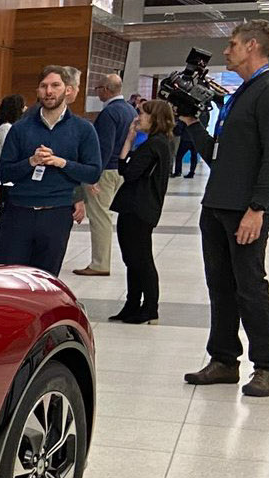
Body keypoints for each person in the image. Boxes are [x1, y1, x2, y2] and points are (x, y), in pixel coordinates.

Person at [179, 19, 269, 398]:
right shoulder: (241, 93)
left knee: (250, 288)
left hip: (245, 210)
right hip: (216, 204)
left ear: (250, 46)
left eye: (231, 44)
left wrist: (258, 208)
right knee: (221, 286)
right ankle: (225, 360)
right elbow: (220, 155)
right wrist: (192, 123)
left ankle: (267, 367)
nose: (226, 50)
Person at [0, 66, 102, 274]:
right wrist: (31, 162)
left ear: (67, 90)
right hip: (18, 213)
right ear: (37, 91)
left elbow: (93, 172)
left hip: (56, 214)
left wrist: (62, 163)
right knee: (10, 277)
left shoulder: (83, 129)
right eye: (44, 86)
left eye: (55, 85)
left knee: (46, 279)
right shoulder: (20, 128)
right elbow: (5, 173)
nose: (49, 91)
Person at [109, 100, 177, 324]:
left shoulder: (154, 145)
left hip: (138, 208)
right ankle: (133, 304)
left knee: (140, 260)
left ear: (154, 118)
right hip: (141, 208)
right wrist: (130, 139)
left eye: (142, 114)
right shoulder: (160, 142)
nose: (138, 118)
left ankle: (149, 307)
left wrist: (128, 141)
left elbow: (128, 172)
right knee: (134, 259)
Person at [73, 73, 137, 277]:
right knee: (105, 215)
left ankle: (100, 263)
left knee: (100, 217)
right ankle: (101, 261)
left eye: (98, 88)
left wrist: (92, 175)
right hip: (120, 169)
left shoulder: (109, 113)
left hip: (106, 170)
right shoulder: (129, 109)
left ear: (107, 90)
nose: (97, 92)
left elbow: (104, 147)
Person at [0, 94, 25, 189]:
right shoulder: (5, 128)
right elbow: (13, 149)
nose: (25, 109)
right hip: (6, 176)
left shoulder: (12, 127)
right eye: (22, 107)